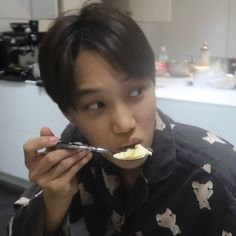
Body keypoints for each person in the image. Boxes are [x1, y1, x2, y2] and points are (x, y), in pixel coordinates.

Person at [8, 2, 236, 236]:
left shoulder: (215, 173)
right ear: (69, 113)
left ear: (153, 85)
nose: (125, 124)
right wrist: (54, 199)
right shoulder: (74, 153)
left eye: (136, 92)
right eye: (97, 104)